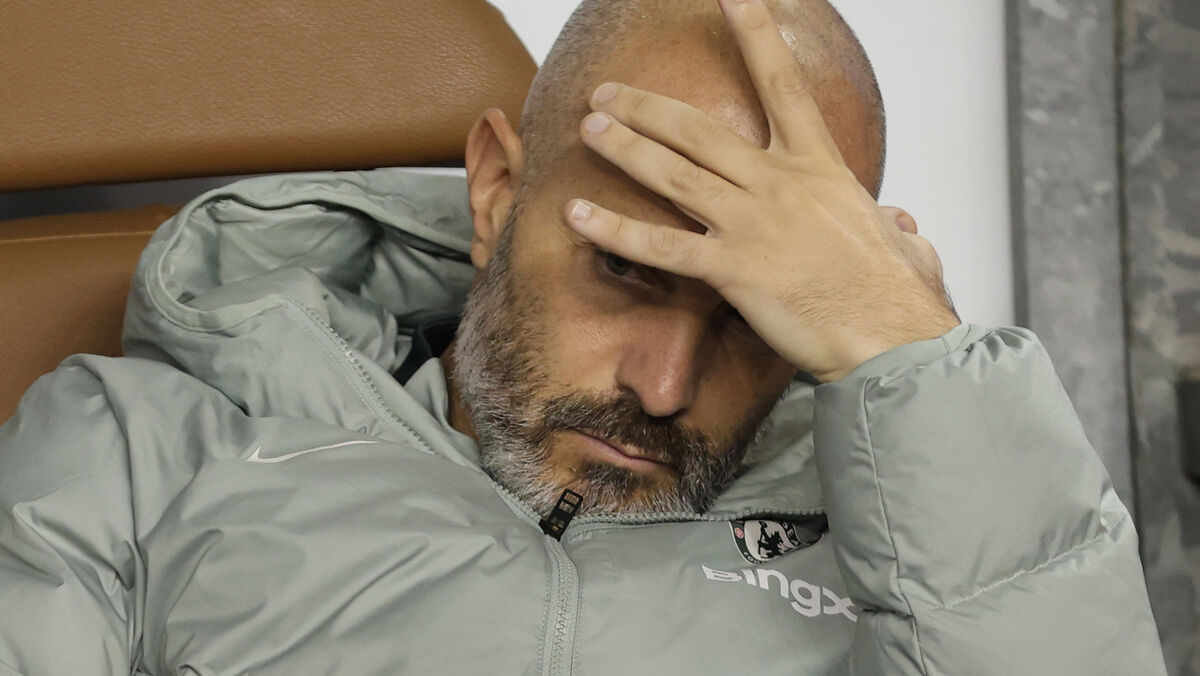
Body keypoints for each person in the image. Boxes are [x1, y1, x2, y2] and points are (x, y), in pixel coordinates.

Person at [0, 0, 1167, 673]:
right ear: (498, 191)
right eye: (623, 271)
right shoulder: (144, 454)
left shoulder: (919, 539)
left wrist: (911, 352)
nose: (663, 387)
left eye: (753, 318)